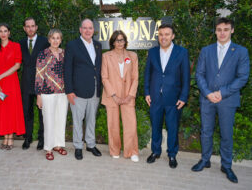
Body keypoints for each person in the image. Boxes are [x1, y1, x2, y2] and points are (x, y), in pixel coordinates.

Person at [192, 18, 250, 183]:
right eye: (219, 29)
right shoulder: (206, 50)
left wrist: (222, 93)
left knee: (226, 134)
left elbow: (242, 77)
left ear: (232, 30)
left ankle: (226, 165)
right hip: (207, 99)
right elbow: (199, 74)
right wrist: (208, 93)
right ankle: (205, 160)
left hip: (228, 100)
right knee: (206, 132)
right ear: (215, 31)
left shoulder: (240, 51)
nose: (222, 32)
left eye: (226, 29)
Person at [144, 23, 190, 168]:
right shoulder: (152, 52)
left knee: (172, 128)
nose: (163, 37)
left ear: (173, 36)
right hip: (155, 97)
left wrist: (183, 97)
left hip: (174, 99)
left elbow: (186, 77)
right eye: (161, 34)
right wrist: (146, 92)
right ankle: (155, 151)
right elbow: (147, 74)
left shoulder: (181, 52)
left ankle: (172, 154)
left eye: (167, 34)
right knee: (156, 126)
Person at [64, 18, 102, 160]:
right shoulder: (73, 45)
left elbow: (97, 68)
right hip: (77, 91)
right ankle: (78, 146)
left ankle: (91, 144)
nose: (87, 30)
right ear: (80, 30)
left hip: (94, 89)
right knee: (78, 120)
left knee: (91, 119)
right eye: (84, 28)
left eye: (90, 28)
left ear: (93, 30)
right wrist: (69, 90)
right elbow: (67, 69)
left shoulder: (98, 45)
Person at [101, 30, 139, 162]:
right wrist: (114, 95)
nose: (120, 43)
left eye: (122, 40)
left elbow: (135, 78)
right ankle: (114, 150)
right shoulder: (106, 56)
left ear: (125, 41)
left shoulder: (132, 56)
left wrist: (130, 95)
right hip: (112, 96)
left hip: (128, 96)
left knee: (131, 124)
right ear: (112, 42)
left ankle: (132, 151)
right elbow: (104, 78)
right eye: (117, 40)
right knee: (113, 125)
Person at [0, 23, 25, 150]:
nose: (3, 34)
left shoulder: (16, 46)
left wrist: (0, 77)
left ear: (9, 32)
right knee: (1, 111)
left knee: (10, 111)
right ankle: (5, 137)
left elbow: (17, 65)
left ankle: (10, 139)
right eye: (0, 31)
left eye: (5, 31)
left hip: (11, 82)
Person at [35, 29, 69, 160]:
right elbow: (39, 75)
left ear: (61, 40)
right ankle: (48, 148)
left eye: (58, 38)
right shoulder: (43, 54)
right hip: (47, 92)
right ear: (49, 39)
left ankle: (58, 145)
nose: (55, 40)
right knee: (48, 121)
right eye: (53, 38)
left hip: (63, 92)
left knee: (61, 119)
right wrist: (38, 95)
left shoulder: (65, 54)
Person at [19, 17, 49, 150]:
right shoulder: (20, 43)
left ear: (36, 27)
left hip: (41, 83)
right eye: (28, 26)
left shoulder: (45, 42)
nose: (30, 28)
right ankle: (28, 137)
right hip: (26, 82)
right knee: (27, 112)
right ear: (24, 28)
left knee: (42, 112)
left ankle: (42, 139)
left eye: (33, 26)